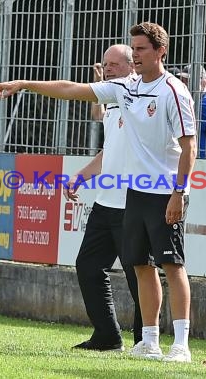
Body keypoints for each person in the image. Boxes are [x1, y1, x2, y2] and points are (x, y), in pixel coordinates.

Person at [0, 21, 197, 363]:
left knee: (172, 265)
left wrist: (179, 192)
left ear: (161, 51)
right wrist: (26, 84)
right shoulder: (124, 87)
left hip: (164, 191)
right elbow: (71, 89)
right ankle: (150, 341)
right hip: (135, 192)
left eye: (142, 49)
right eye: (134, 48)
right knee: (142, 266)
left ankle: (182, 345)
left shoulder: (173, 91)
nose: (136, 54)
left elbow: (190, 147)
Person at [65, 44, 142, 352]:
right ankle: (107, 336)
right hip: (105, 202)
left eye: (114, 64)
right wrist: (80, 175)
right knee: (88, 267)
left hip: (134, 203)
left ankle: (144, 340)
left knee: (139, 276)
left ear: (132, 67)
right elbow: (110, 150)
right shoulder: (112, 103)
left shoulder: (140, 96)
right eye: (105, 64)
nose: (107, 69)